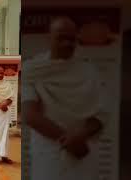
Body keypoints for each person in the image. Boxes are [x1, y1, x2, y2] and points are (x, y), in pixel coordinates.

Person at [23, 17, 106, 179]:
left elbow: (102, 112)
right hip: (49, 151)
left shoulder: (89, 71)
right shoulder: (33, 70)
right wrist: (69, 140)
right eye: (61, 37)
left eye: (72, 39)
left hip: (83, 150)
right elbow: (30, 115)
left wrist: (80, 136)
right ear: (49, 38)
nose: (67, 43)